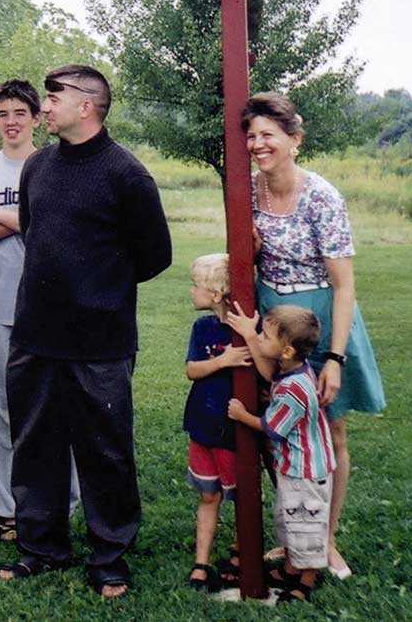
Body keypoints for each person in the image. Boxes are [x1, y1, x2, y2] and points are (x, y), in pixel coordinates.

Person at [0, 64, 171, 599]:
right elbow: (35, 232)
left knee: (105, 451)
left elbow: (155, 255)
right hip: (34, 335)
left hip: (100, 341)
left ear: (87, 106)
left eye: (52, 98)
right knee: (34, 447)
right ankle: (40, 548)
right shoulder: (38, 167)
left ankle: (110, 556)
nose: (43, 108)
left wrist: (98, 288)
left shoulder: (126, 174)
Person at [234, 91, 386, 580]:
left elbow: (344, 287)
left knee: (328, 429)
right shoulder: (247, 190)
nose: (258, 144)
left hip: (317, 317)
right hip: (270, 314)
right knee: (276, 424)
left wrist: (336, 357)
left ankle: (325, 537)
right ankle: (292, 533)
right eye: (251, 136)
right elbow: (247, 257)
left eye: (268, 135)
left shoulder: (321, 195)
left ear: (294, 140)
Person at [0, 79, 79, 542]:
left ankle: (60, 505)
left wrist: (1, 217)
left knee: (56, 407)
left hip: (53, 304)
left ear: (36, 118)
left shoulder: (55, 164)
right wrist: (26, 222)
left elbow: (59, 229)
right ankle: (10, 508)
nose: (11, 122)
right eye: (3, 113)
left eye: (20, 113)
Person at [227, 305, 336, 604]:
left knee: (307, 523)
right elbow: (268, 371)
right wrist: (251, 335)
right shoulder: (292, 370)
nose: (261, 341)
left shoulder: (294, 388)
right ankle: (292, 569)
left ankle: (306, 581)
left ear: (286, 350)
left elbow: (272, 428)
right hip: (295, 466)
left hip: (307, 470)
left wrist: (242, 415)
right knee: (290, 519)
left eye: (265, 336)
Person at [181, 253, 253, 591]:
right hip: (202, 426)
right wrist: (223, 361)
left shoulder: (246, 330)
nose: (191, 291)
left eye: (196, 286)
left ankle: (242, 554)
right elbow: (192, 370)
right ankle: (201, 562)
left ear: (215, 294)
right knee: (208, 496)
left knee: (238, 496)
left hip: (231, 432)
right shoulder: (202, 328)